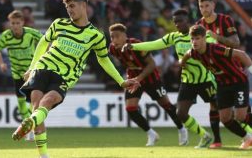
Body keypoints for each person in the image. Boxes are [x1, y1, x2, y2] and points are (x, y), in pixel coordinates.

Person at [12, 0, 140, 158]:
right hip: (43, 68)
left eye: (72, 6)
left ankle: (29, 122)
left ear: (83, 6)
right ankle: (43, 155)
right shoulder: (59, 24)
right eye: (67, 7)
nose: (69, 10)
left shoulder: (96, 35)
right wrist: (31, 67)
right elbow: (43, 42)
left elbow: (103, 60)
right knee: (37, 107)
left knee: (47, 102)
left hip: (65, 76)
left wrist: (120, 81)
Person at [122, 9, 221, 148]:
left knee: (223, 110)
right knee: (180, 113)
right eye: (175, 22)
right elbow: (155, 44)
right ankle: (204, 136)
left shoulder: (201, 35)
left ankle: (240, 135)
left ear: (188, 20)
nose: (177, 24)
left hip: (206, 80)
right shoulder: (174, 37)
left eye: (180, 21)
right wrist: (134, 46)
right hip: (188, 81)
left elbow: (217, 50)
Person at [108, 23, 187, 146]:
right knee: (130, 109)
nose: (114, 40)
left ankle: (182, 129)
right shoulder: (113, 49)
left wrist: (139, 79)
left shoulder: (137, 44)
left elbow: (152, 64)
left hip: (151, 78)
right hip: (133, 79)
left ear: (125, 36)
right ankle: (151, 134)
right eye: (112, 37)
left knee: (166, 105)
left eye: (117, 36)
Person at [181, 24, 252, 149]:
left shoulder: (216, 49)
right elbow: (186, 56)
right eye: (192, 39)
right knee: (225, 119)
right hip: (222, 86)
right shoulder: (193, 53)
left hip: (238, 82)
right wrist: (182, 63)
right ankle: (248, 138)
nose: (194, 42)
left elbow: (241, 55)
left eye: (197, 38)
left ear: (204, 38)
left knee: (240, 116)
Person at [0, 10, 43, 141]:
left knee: (34, 102)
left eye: (17, 23)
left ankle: (33, 128)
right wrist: (1, 63)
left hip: (32, 73)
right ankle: (27, 128)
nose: (15, 26)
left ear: (22, 23)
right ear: (10, 24)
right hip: (17, 73)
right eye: (13, 23)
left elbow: (46, 41)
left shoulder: (31, 33)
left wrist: (44, 57)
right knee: (21, 103)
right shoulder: (6, 36)